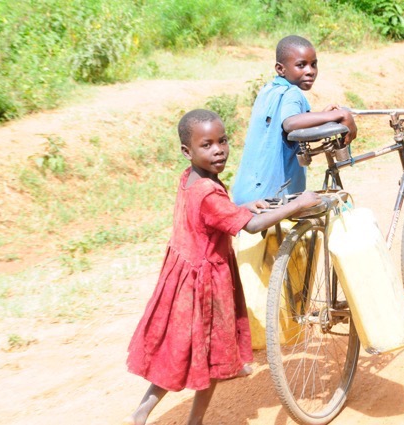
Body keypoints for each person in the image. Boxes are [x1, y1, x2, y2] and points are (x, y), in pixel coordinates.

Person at [124, 109, 321, 425]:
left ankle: (141, 412)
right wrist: (296, 205)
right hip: (206, 284)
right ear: (187, 151)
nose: (218, 150)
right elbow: (253, 227)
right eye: (207, 145)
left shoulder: (192, 178)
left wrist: (239, 208)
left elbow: (212, 215)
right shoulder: (209, 191)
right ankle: (196, 421)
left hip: (182, 277)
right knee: (212, 356)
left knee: (179, 349)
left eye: (223, 141)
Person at [231, 35, 358, 205]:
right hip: (273, 196)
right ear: (280, 69)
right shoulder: (293, 93)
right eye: (301, 65)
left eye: (314, 64)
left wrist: (320, 117)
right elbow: (290, 123)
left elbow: (286, 129)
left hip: (248, 190)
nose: (310, 71)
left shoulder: (268, 90)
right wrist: (340, 114)